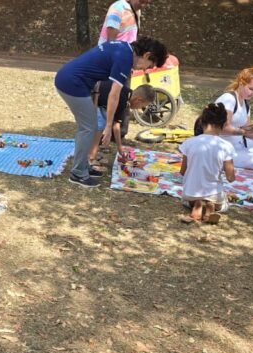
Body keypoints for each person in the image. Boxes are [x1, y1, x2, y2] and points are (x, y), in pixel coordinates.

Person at [55, 37, 169, 188]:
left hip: (74, 80)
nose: (145, 70)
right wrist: (108, 126)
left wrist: (95, 98)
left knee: (91, 126)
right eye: (149, 65)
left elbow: (96, 71)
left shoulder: (123, 48)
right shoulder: (124, 58)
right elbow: (114, 95)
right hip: (71, 82)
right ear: (147, 55)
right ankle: (78, 173)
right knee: (88, 128)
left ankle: (83, 167)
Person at [178, 102, 236, 224]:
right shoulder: (226, 146)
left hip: (190, 193)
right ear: (223, 124)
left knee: (187, 200)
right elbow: (230, 178)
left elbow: (183, 172)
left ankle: (196, 204)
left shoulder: (189, 143)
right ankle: (211, 206)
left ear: (202, 122)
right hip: (214, 193)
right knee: (224, 203)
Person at [87, 81, 157, 163]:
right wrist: (120, 148)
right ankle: (91, 158)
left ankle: (92, 152)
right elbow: (116, 126)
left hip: (96, 98)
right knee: (101, 125)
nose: (139, 108)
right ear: (138, 100)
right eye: (142, 106)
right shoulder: (123, 100)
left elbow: (115, 123)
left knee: (104, 120)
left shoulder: (127, 93)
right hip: (89, 95)